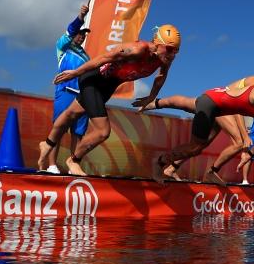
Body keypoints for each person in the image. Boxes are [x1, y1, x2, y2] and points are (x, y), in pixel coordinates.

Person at [38, 24, 181, 176]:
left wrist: (151, 97)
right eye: (170, 49)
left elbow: (161, 76)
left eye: (176, 51)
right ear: (158, 44)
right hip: (94, 79)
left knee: (71, 114)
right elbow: (104, 58)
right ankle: (73, 160)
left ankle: (47, 144)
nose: (172, 55)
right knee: (103, 131)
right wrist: (75, 73)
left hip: (109, 85)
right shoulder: (137, 50)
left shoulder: (164, 59)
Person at [46, 4, 91, 174]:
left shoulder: (87, 56)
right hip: (65, 92)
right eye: (79, 33)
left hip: (82, 97)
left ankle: (74, 166)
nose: (81, 36)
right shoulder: (63, 46)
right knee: (58, 129)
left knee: (78, 133)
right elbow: (71, 29)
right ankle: (51, 165)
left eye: (84, 34)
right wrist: (81, 16)